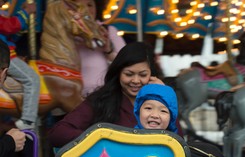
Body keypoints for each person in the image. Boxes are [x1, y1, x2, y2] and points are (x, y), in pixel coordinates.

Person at [48, 41, 183, 148]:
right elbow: (57, 133)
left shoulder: (161, 101)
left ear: (152, 75)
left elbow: (180, 142)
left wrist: (164, 95)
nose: (135, 81)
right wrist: (102, 138)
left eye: (143, 75)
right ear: (118, 73)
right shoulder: (101, 100)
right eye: (128, 74)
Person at [0, 0, 40, 130]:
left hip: (8, 53)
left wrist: (22, 15)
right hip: (4, 57)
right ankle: (28, 120)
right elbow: (9, 26)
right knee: (32, 79)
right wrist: (26, 12)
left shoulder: (3, 14)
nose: (3, 3)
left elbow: (10, 32)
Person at [76, 0, 126, 97]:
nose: (85, 9)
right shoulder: (68, 34)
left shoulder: (109, 31)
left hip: (102, 93)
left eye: (90, 5)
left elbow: (126, 63)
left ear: (97, 8)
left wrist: (108, 50)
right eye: (79, 6)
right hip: (73, 94)